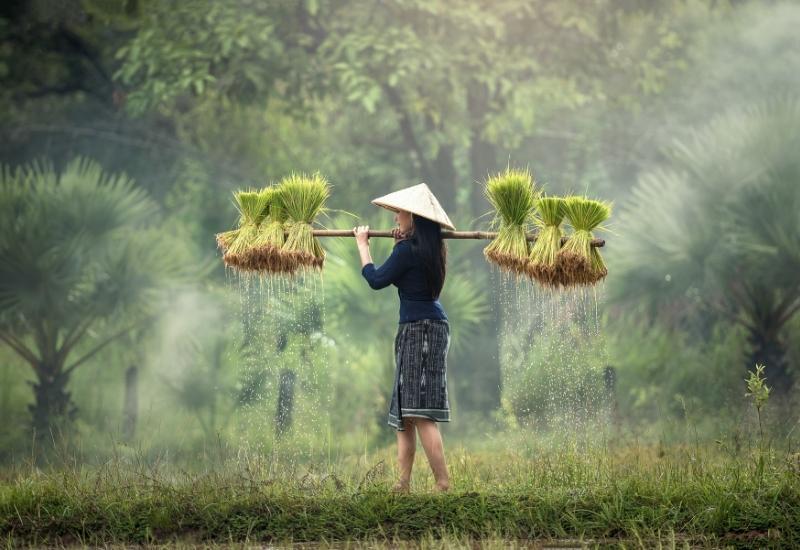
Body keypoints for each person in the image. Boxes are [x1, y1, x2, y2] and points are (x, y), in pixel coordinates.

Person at [352, 182, 456, 494]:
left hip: (420, 329)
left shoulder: (408, 252)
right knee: (405, 411)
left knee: (419, 412)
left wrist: (362, 244)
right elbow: (405, 266)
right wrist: (401, 243)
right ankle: (403, 484)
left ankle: (442, 482)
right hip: (424, 326)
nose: (395, 217)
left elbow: (376, 279)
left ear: (413, 217)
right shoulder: (429, 249)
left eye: (400, 213)